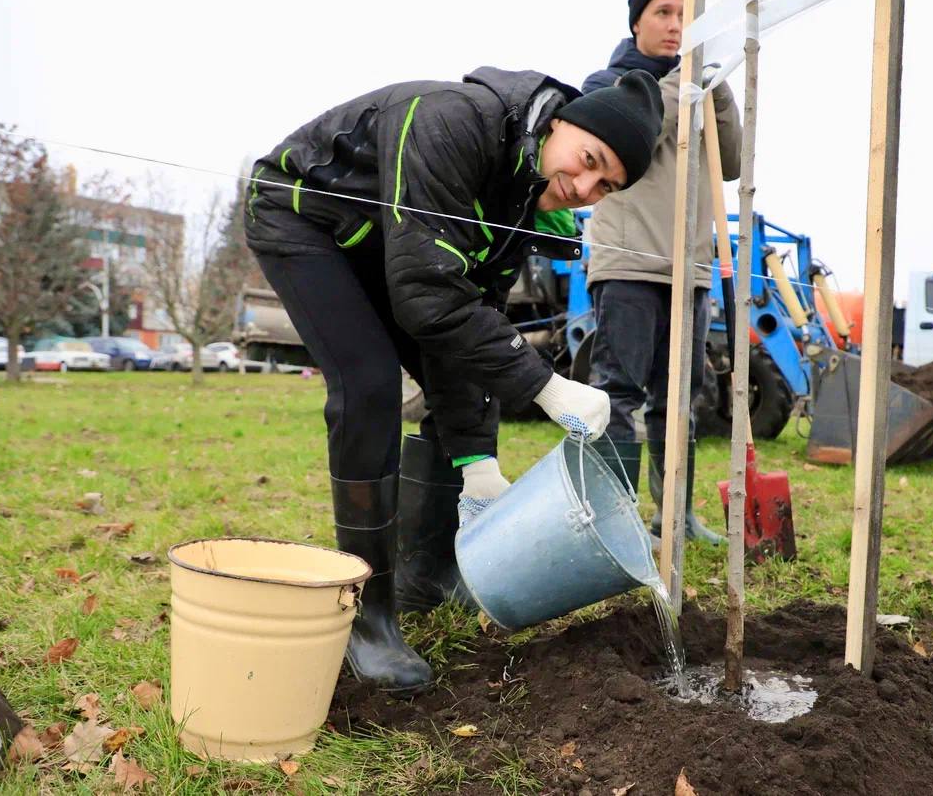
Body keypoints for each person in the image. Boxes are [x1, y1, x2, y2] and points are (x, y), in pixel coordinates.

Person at [244, 67, 664, 694]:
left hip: (384, 249)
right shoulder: (450, 120)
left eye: (606, 185)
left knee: (473, 355)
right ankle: (368, 616)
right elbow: (428, 296)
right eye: (588, 161)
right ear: (561, 123)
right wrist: (549, 388)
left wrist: (478, 461)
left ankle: (427, 575)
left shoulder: (522, 191)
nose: (585, 186)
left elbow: (473, 323)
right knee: (368, 384)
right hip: (302, 218)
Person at [582, 0, 743, 545]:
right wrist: (684, 83)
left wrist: (718, 89)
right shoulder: (608, 84)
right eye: (664, 13)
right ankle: (617, 517)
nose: (676, 26)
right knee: (619, 392)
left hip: (689, 269)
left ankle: (674, 514)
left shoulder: (700, 87)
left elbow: (730, 165)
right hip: (628, 264)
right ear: (637, 23)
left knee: (681, 399)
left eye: (684, 17)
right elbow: (641, 136)